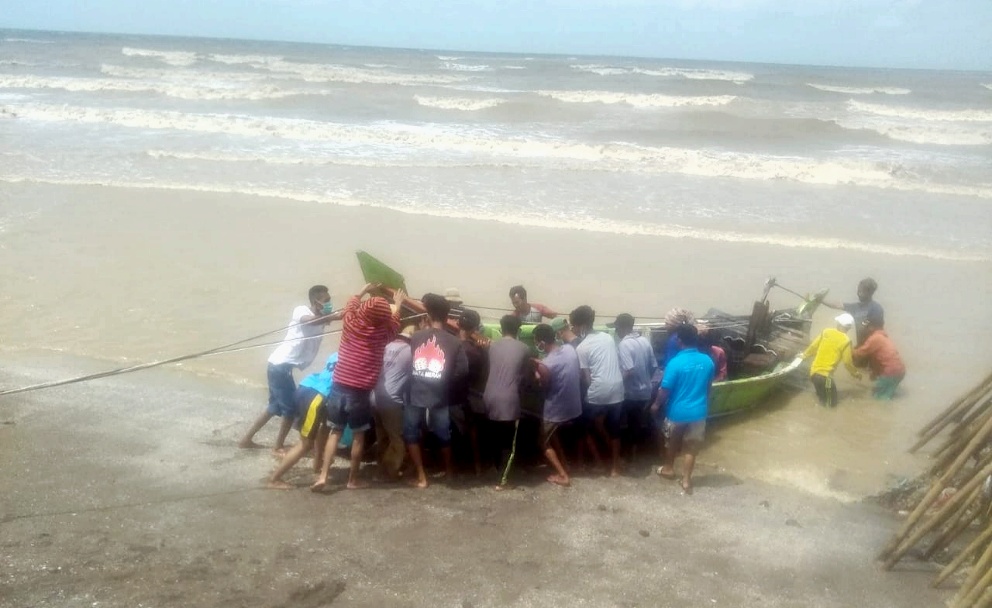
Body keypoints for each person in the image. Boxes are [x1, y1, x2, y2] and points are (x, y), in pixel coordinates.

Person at [312, 284, 405, 492]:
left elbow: (351, 304)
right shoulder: (384, 334)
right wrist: (397, 305)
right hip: (360, 391)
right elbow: (395, 323)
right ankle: (352, 480)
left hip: (338, 385)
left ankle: (323, 476)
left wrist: (363, 290)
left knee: (334, 431)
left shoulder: (351, 321)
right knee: (358, 435)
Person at [240, 285, 339, 454]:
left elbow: (339, 318)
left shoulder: (323, 317)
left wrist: (362, 295)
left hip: (280, 366)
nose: (330, 303)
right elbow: (311, 321)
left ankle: (246, 439)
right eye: (326, 301)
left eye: (330, 300)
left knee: (274, 407)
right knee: (290, 410)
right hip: (280, 367)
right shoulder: (301, 311)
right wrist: (334, 315)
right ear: (316, 302)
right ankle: (278, 446)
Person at [405, 293, 469, 489]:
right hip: (440, 395)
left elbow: (410, 362)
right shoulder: (455, 341)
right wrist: (445, 378)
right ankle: (449, 472)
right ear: (447, 315)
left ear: (428, 314)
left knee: (411, 434)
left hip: (415, 394)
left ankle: (422, 477)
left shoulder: (415, 337)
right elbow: (463, 371)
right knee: (443, 434)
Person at [651, 324, 715, 495]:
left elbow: (665, 389)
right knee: (691, 447)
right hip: (699, 412)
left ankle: (668, 468)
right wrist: (704, 406)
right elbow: (709, 388)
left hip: (677, 412)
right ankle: (686, 480)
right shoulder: (707, 361)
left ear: (679, 340)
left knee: (672, 441)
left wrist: (656, 405)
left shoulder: (675, 362)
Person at [267, 353, 338, 489]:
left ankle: (317, 465)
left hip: (307, 386)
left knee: (324, 427)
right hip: (317, 397)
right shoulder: (359, 359)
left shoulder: (337, 353)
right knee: (306, 444)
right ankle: (274, 479)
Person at [572, 305, 626, 477]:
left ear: (581, 325)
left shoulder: (581, 347)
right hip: (617, 389)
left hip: (598, 391)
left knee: (584, 428)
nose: (574, 329)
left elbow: (586, 378)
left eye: (574, 326)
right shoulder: (608, 337)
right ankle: (616, 467)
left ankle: (599, 463)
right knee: (614, 429)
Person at [484, 314, 533, 489]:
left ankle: (494, 469)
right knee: (508, 440)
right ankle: (503, 481)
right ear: (518, 330)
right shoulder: (524, 348)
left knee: (494, 436)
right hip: (509, 399)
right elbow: (527, 379)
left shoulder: (492, 347)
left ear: (501, 328)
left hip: (489, 396)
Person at [533, 323, 582, 487]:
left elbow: (543, 384)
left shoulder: (546, 364)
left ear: (540, 343)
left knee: (542, 441)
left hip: (556, 409)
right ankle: (565, 464)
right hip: (574, 406)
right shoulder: (569, 349)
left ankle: (562, 475)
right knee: (552, 435)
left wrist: (536, 369)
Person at [609, 313, 658, 454]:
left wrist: (615, 383)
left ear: (622, 327)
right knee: (637, 423)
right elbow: (654, 366)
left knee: (620, 423)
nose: (616, 332)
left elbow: (628, 370)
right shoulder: (644, 341)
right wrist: (645, 379)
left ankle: (629, 455)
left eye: (617, 328)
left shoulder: (624, 344)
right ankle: (640, 452)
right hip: (646, 392)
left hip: (631, 393)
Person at [372, 325, 413, 480]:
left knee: (382, 436)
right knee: (397, 439)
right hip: (391, 401)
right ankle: (390, 472)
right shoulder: (410, 352)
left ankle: (379, 469)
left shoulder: (386, 347)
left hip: (374, 397)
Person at [799, 313, 863, 407]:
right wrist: (856, 373)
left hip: (813, 374)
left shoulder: (826, 332)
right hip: (827, 379)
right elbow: (847, 362)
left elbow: (813, 347)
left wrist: (803, 355)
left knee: (821, 398)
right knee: (831, 404)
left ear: (838, 324)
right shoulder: (846, 341)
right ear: (849, 328)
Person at [455, 309, 489, 475]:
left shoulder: (451, 344)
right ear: (475, 327)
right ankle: (477, 466)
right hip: (472, 394)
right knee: (473, 429)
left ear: (458, 324)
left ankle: (457, 464)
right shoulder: (477, 350)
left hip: (452, 395)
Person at [853, 316, 906, 400]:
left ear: (871, 327)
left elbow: (860, 353)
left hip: (890, 372)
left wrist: (847, 349)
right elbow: (880, 358)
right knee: (887, 395)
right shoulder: (884, 337)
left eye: (867, 326)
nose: (865, 329)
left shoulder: (875, 339)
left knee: (878, 399)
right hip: (899, 371)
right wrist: (875, 373)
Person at [825, 278, 884, 347]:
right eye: (858, 291)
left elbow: (878, 331)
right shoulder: (855, 307)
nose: (858, 294)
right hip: (860, 346)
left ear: (869, 293)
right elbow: (837, 305)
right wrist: (820, 300)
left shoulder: (876, 308)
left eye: (861, 292)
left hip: (873, 348)